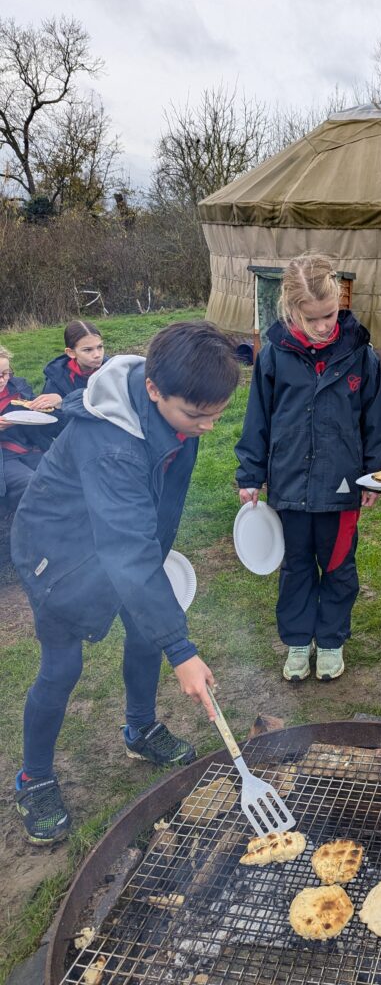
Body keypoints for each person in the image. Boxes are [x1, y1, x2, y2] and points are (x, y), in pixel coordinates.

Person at [11, 321, 240, 845]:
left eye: (217, 414)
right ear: (154, 390)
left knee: (144, 631)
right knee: (61, 666)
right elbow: (124, 549)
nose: (207, 426)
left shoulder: (177, 405)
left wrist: (156, 584)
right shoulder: (111, 443)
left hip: (123, 536)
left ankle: (140, 728)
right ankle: (35, 778)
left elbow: (147, 523)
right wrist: (182, 649)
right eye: (197, 416)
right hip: (58, 552)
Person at [235, 255, 381, 684]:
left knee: (339, 565)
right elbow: (258, 419)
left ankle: (332, 641)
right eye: (313, 318)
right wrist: (250, 475)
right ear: (292, 310)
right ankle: (299, 641)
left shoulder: (361, 355)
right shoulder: (274, 356)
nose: (324, 325)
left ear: (339, 301)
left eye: (330, 315)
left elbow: (375, 419)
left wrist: (374, 473)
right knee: (296, 565)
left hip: (342, 486)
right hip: (288, 483)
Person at [0, 345, 53, 516]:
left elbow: (35, 416)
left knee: (59, 475)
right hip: (5, 457)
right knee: (31, 484)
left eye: (5, 373)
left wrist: (38, 408)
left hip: (30, 447)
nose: (2, 380)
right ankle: (25, 522)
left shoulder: (18, 388)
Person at [33, 319, 107, 413]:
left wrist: (64, 402)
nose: (97, 354)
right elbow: (50, 420)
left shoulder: (115, 370)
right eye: (88, 350)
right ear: (71, 353)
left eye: (100, 347)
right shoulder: (56, 377)